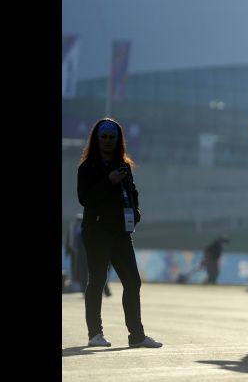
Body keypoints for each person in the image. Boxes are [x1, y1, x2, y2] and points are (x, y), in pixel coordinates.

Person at [77, 118, 162, 348]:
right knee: (97, 280)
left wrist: (135, 213)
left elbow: (132, 193)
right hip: (97, 230)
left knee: (133, 282)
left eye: (111, 137)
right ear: (97, 139)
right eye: (103, 137)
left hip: (120, 232)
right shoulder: (88, 167)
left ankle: (137, 335)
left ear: (118, 140)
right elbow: (85, 199)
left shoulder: (123, 165)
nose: (107, 141)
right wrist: (108, 181)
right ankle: (95, 334)